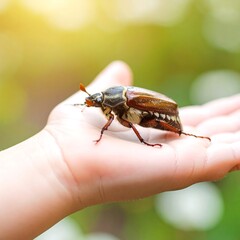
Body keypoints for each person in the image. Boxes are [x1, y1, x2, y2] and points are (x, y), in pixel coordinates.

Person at [0, 61, 239, 239]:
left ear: (110, 101)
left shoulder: (124, 103)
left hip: (164, 113)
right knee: (140, 122)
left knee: (149, 122)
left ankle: (183, 134)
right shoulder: (113, 103)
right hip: (146, 111)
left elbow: (125, 120)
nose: (95, 104)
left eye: (99, 101)